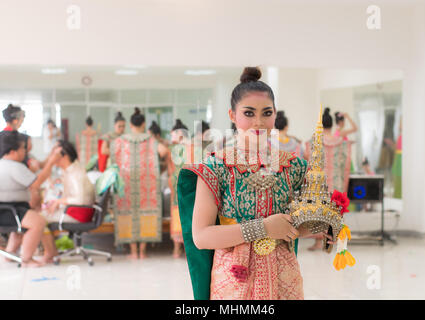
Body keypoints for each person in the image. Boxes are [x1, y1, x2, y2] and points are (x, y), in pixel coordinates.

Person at [177, 67, 334, 300]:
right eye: (249, 113)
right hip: (233, 280)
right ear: (232, 115)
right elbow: (201, 237)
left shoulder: (295, 166)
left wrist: (325, 226)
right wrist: (264, 228)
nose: (259, 122)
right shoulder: (215, 167)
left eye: (266, 113)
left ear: (275, 114)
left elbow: (302, 223)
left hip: (284, 277)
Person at [105, 108, 170, 259]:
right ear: (143, 124)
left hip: (126, 183)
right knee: (145, 212)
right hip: (147, 184)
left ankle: (133, 252)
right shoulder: (150, 140)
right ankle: (142, 251)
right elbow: (164, 151)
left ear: (130, 124)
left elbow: (106, 151)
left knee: (127, 212)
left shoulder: (120, 140)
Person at [0, 131, 60, 267]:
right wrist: (51, 162)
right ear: (13, 151)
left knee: (24, 226)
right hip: (8, 210)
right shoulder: (14, 166)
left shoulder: (5, 164)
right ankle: (26, 259)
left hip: (10, 207)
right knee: (38, 222)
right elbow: (37, 183)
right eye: (22, 148)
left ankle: (10, 254)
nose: (24, 152)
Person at [40, 140, 96, 263]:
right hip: (76, 210)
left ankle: (50, 252)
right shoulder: (70, 170)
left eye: (55, 155)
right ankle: (50, 251)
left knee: (39, 219)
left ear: (64, 156)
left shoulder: (76, 173)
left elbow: (80, 199)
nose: (52, 158)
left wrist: (58, 202)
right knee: (43, 211)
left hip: (79, 213)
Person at [304, 108, 352, 251]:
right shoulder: (343, 143)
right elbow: (347, 165)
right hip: (337, 182)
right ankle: (335, 240)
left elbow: (308, 161)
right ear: (332, 125)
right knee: (335, 212)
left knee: (319, 212)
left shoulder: (313, 142)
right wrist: (345, 184)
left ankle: (319, 242)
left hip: (320, 184)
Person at [168, 119, 190, 258]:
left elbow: (171, 169)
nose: (171, 138)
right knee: (189, 214)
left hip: (177, 182)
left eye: (172, 135)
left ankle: (176, 250)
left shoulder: (173, 149)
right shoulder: (194, 147)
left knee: (176, 213)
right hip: (190, 183)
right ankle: (188, 249)